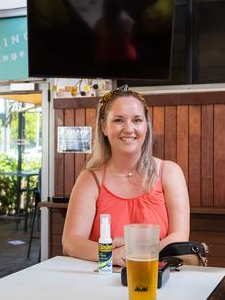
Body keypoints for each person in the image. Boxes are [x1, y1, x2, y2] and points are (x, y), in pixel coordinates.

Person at [62, 85, 190, 267]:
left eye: (137, 120)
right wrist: (112, 255)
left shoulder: (170, 172)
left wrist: (135, 254)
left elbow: (180, 236)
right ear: (104, 128)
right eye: (118, 120)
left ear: (146, 127)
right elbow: (71, 242)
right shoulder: (89, 179)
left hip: (156, 277)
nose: (129, 128)